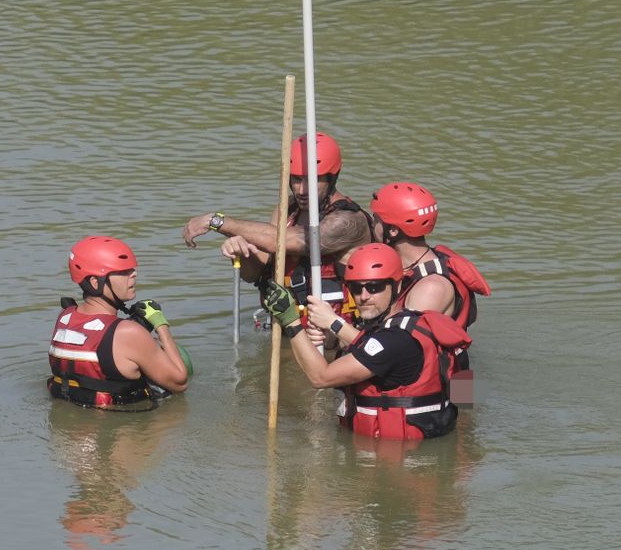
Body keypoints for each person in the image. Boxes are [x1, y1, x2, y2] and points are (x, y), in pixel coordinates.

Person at [269, 242, 468, 442]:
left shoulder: (395, 339)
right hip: (392, 444)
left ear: (397, 286)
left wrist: (291, 320)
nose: (364, 297)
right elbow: (366, 345)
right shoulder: (389, 326)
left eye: (375, 287)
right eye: (356, 288)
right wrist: (332, 338)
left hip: (400, 459)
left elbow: (320, 378)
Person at [181, 132, 372, 316]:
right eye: (296, 179)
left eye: (312, 180)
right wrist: (241, 249)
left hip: (334, 340)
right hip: (290, 329)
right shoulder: (287, 209)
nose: (302, 190)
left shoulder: (348, 221)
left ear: (332, 178)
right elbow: (253, 274)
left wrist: (217, 222)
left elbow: (276, 241)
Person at [49, 236, 191, 410]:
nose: (133, 274)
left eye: (132, 269)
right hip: (122, 432)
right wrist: (160, 325)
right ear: (95, 282)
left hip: (70, 427)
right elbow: (180, 383)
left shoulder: (65, 316)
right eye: (123, 271)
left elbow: (97, 341)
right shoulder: (128, 333)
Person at [368, 181, 490, 329]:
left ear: (393, 230)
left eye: (376, 220)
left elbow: (396, 346)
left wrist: (335, 322)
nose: (373, 226)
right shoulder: (410, 264)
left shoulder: (430, 288)